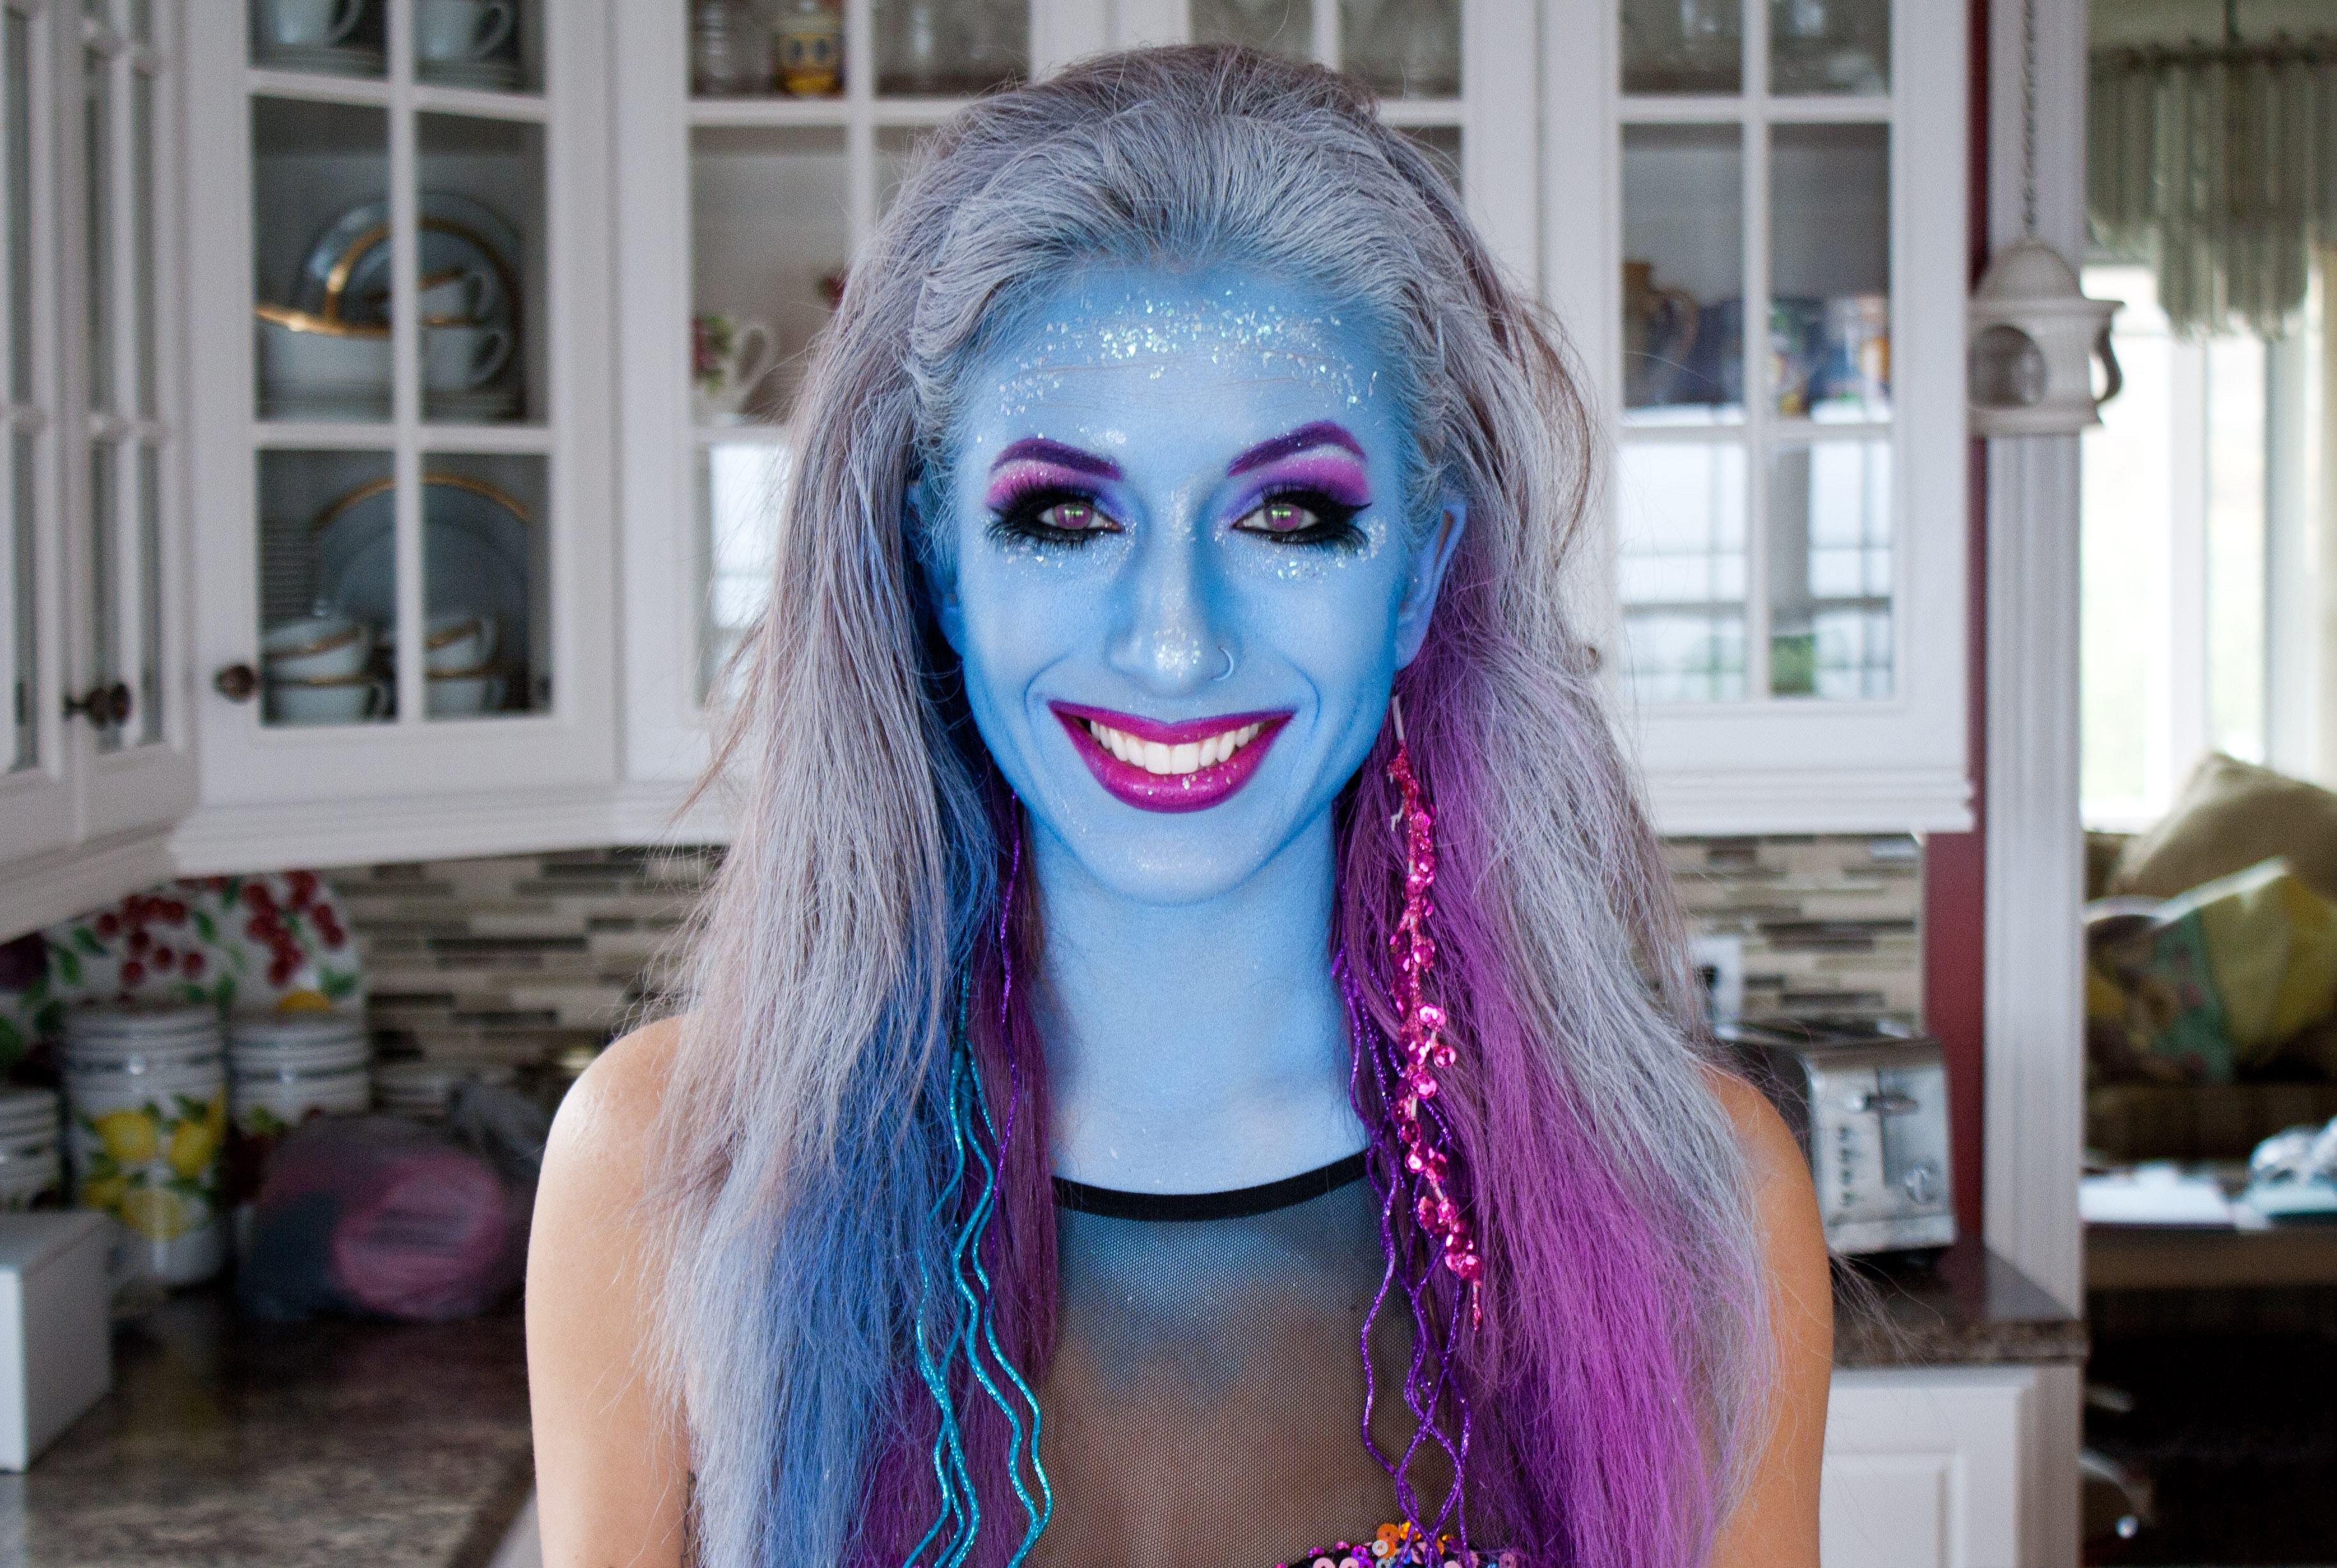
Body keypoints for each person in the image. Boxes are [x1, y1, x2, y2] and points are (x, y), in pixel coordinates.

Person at [528, 45, 1829, 1568]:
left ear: (1418, 577)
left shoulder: (1697, 1205)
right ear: (937, 564)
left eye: (1291, 515)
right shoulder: (668, 1172)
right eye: (1061, 515)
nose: (1172, 642)